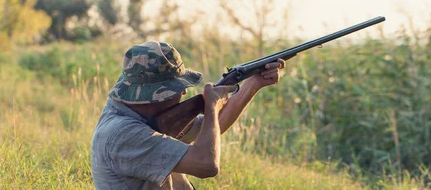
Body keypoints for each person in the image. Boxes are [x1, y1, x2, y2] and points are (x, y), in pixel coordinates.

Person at [90, 41, 285, 189]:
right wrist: (211, 106)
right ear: (154, 95)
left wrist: (253, 84)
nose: (183, 93)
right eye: (175, 88)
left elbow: (212, 129)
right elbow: (206, 165)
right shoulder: (124, 134)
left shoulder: (139, 113)